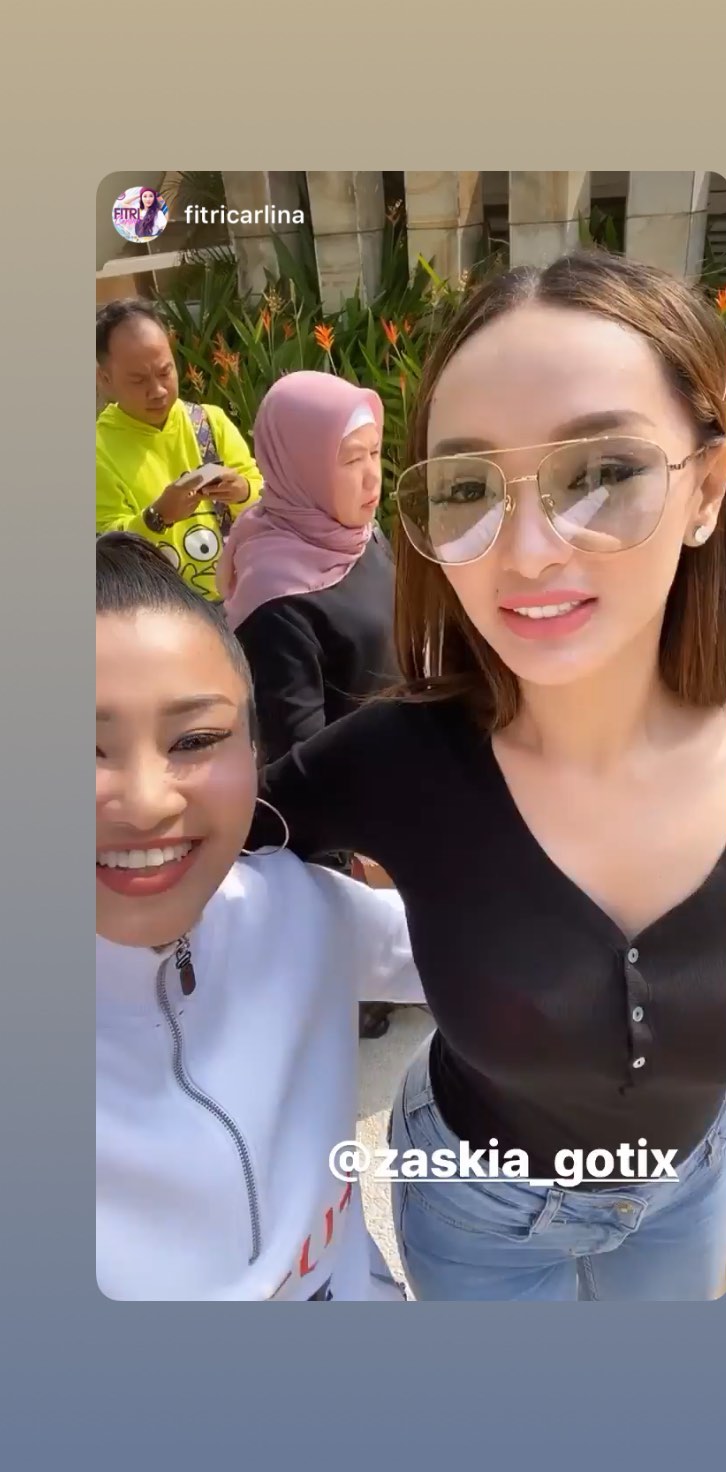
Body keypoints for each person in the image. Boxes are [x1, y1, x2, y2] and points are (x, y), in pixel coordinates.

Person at [247, 251, 726, 1301]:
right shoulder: (396, 757)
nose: (527, 550)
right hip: (477, 1208)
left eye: (601, 473)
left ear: (706, 488)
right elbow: (191, 842)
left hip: (692, 1191)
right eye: (467, 487)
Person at [96, 531, 424, 1301]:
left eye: (196, 739)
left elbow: (493, 951)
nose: (147, 803)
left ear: (255, 750)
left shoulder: (298, 907)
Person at [218, 370, 401, 1039]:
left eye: (375, 453)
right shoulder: (278, 596)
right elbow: (299, 763)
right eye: (350, 460)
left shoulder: (355, 534)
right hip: (344, 821)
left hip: (399, 764)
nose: (371, 476)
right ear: (301, 466)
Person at [96, 299, 263, 602]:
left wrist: (242, 490)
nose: (158, 391)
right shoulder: (97, 451)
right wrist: (156, 517)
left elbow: (264, 498)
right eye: (138, 380)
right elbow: (106, 553)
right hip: (160, 614)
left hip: (238, 600)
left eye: (165, 372)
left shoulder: (209, 423)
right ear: (104, 379)